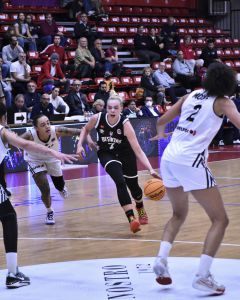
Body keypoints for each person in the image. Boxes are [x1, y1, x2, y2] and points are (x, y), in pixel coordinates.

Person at [150, 62, 238, 294]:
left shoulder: (193, 94)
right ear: (228, 83)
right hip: (190, 160)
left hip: (169, 157)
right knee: (220, 220)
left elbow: (161, 120)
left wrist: (160, 135)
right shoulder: (224, 102)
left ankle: (161, 260)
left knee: (178, 214)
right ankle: (202, 276)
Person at [0, 103, 76, 288]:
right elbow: (25, 143)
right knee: (9, 218)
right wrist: (53, 152)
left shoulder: (54, 130)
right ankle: (12, 273)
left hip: (46, 164)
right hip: (37, 160)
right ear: (4, 117)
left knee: (9, 214)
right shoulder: (2, 130)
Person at [77, 96, 160, 233]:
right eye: (109, 107)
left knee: (134, 188)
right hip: (106, 154)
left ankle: (140, 207)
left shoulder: (125, 124)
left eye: (116, 107)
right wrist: (81, 144)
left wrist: (150, 168)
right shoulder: (97, 118)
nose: (112, 110)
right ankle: (132, 219)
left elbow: (138, 150)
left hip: (125, 155)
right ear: (106, 108)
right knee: (120, 182)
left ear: (121, 109)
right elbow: (85, 129)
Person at [21, 114, 92, 225]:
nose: (47, 126)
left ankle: (61, 188)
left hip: (52, 157)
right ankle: (50, 211)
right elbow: (13, 141)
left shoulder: (57, 131)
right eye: (43, 125)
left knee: (59, 185)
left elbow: (82, 131)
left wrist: (85, 142)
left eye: (48, 123)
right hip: (34, 159)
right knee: (44, 187)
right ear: (36, 128)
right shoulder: (29, 135)